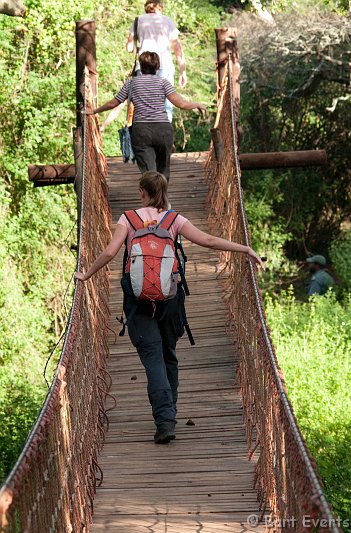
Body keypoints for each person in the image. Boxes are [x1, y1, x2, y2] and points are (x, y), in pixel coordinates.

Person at [75, 171, 265, 445]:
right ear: (164, 191)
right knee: (168, 354)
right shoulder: (174, 220)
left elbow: (109, 253)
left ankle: (164, 421)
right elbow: (209, 241)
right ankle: (169, 413)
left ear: (142, 192)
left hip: (138, 301)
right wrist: (245, 249)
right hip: (170, 299)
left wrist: (86, 275)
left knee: (153, 358)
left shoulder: (128, 219)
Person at [87, 51, 205, 181]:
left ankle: (154, 199)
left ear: (141, 66)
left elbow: (113, 103)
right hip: (163, 130)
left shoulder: (131, 84)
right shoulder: (163, 83)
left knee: (149, 175)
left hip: (142, 131)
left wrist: (94, 111)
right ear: (157, 66)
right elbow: (181, 104)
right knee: (163, 170)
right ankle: (162, 199)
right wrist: (197, 104)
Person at [100, 0, 187, 131]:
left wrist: (136, 42)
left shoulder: (138, 21)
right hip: (165, 65)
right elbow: (177, 47)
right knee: (166, 103)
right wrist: (183, 71)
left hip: (144, 67)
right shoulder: (167, 21)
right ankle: (164, 134)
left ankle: (142, 135)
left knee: (141, 102)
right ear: (160, 7)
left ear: (146, 8)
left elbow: (129, 48)